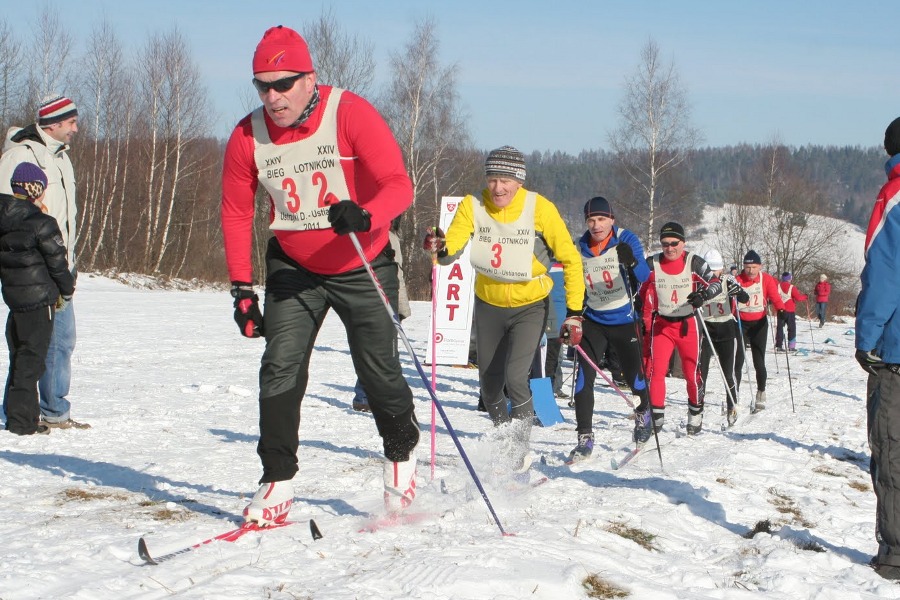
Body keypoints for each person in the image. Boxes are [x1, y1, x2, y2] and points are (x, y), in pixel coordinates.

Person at [221, 26, 420, 524]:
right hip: (294, 264)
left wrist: (368, 214)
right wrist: (242, 288)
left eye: (284, 83)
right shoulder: (248, 135)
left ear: (310, 79)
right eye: (262, 85)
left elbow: (400, 185)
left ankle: (400, 457)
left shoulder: (350, 113)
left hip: (361, 259)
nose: (273, 96)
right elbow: (235, 212)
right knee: (279, 366)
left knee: (378, 372)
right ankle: (277, 481)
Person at [423, 145, 585, 474]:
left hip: (530, 305)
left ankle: (519, 449)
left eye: (506, 181)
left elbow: (570, 259)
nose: (498, 188)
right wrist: (440, 246)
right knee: (489, 385)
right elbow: (451, 246)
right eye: (493, 179)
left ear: (519, 182)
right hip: (489, 305)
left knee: (515, 377)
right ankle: (504, 437)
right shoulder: (474, 205)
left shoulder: (539, 208)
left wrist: (575, 311)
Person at [0, 95, 85, 429]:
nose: (76, 129)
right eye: (71, 123)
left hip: (60, 262)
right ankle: (41, 410)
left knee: (62, 340)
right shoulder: (20, 155)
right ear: (54, 124)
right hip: (36, 270)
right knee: (40, 344)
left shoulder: (62, 158)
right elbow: (8, 212)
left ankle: (52, 407)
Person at [568, 196, 651, 461]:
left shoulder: (626, 239)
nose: (596, 225)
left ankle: (643, 416)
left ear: (612, 220)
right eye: (591, 220)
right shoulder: (579, 247)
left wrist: (632, 263)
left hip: (624, 321)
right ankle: (584, 438)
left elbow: (645, 278)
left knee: (633, 376)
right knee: (583, 379)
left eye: (602, 219)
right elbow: (574, 283)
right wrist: (572, 317)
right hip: (594, 321)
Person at [855, 115, 900, 581]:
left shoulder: (894, 197)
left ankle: (896, 554)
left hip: (896, 352)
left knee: (892, 448)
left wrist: (867, 339)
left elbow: (885, 275)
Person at [1, 163, 75, 435]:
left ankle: (17, 411)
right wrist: (67, 290)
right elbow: (58, 264)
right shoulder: (41, 223)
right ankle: (22, 422)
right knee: (31, 360)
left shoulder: (5, 219)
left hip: (14, 299)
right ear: (36, 189)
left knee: (19, 355)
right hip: (39, 301)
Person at [639, 222, 721, 435]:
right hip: (662, 324)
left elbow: (715, 283)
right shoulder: (652, 263)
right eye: (665, 244)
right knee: (656, 372)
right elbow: (634, 278)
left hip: (688, 324)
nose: (670, 248)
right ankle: (656, 418)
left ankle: (695, 412)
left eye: (674, 243)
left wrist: (703, 295)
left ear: (683, 242)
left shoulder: (693, 261)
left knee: (691, 373)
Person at [352, 226, 411, 412]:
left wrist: (401, 305)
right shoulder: (374, 236)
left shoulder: (391, 237)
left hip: (387, 298)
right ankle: (364, 396)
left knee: (382, 351)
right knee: (375, 351)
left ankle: (371, 396)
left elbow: (397, 273)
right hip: (374, 299)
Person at [697, 249, 749, 427]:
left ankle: (731, 407)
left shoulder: (728, 280)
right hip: (706, 331)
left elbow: (745, 297)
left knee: (729, 373)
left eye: (716, 270)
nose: (713, 274)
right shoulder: (698, 282)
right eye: (710, 270)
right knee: (700, 373)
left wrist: (738, 292)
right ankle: (697, 410)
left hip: (726, 330)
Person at [733, 250, 786, 412]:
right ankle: (735, 394)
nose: (751, 271)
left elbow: (775, 297)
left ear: (759, 267)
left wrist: (781, 310)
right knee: (738, 361)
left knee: (759, 361)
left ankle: (761, 391)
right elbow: (728, 300)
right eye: (748, 267)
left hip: (759, 324)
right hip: (741, 323)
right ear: (743, 267)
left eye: (754, 267)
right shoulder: (736, 280)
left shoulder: (766, 279)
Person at [774, 272, 808, 352]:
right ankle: (791, 347)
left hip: (780, 310)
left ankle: (779, 346)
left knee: (779, 328)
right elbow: (798, 298)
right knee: (792, 328)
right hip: (790, 311)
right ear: (789, 279)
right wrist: (805, 296)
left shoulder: (778, 286)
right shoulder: (792, 287)